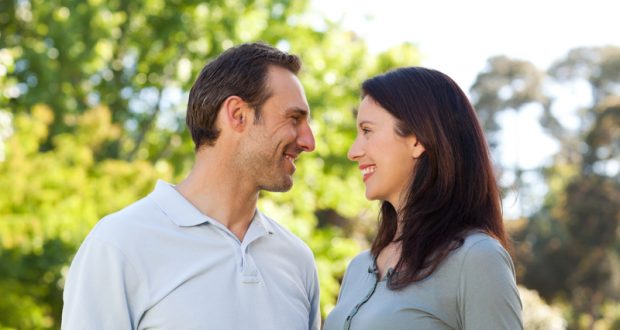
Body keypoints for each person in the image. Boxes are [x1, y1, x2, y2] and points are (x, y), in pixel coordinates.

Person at [62, 42, 320, 329]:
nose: (309, 142)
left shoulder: (297, 260)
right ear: (238, 114)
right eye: (294, 119)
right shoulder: (119, 245)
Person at [323, 67, 523, 330]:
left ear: (417, 140)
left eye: (367, 131)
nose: (353, 151)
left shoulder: (477, 259)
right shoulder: (359, 268)